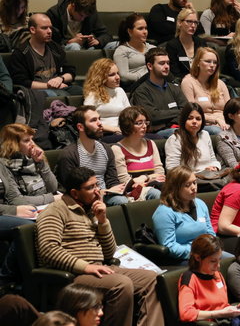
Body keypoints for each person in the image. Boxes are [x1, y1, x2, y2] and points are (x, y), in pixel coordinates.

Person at [36, 167, 164, 326]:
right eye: (90, 188)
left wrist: (103, 221)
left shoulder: (92, 210)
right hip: (72, 274)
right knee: (121, 283)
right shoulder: (55, 211)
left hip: (100, 269)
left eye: (97, 185)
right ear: (75, 193)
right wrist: (85, 267)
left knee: (151, 278)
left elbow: (110, 252)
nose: (97, 191)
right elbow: (48, 250)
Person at [56, 105, 128, 206]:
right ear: (80, 127)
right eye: (93, 120)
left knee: (125, 199)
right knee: (121, 201)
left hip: (106, 194)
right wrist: (101, 192)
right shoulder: (69, 154)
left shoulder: (106, 149)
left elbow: (112, 180)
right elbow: (72, 191)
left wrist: (117, 190)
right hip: (84, 200)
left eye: (99, 119)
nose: (99, 123)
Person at [178, 234, 240, 324]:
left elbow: (222, 305)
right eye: (213, 261)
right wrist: (219, 314)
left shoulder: (217, 274)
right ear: (197, 257)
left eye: (219, 260)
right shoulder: (189, 278)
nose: (218, 265)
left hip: (225, 321)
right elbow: (186, 314)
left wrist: (236, 308)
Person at [152, 166, 215, 263]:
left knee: (231, 262)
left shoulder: (200, 204)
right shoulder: (164, 212)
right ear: (175, 188)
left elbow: (210, 233)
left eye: (194, 182)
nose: (194, 187)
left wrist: (211, 247)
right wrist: (197, 252)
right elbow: (169, 246)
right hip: (182, 259)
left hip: (206, 253)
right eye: (187, 185)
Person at [9, 13, 81, 96]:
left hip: (60, 86)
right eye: (44, 28)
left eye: (50, 27)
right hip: (37, 91)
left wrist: (60, 79)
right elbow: (21, 82)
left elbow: (71, 71)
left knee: (83, 91)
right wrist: (49, 86)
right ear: (33, 30)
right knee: (56, 94)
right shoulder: (21, 53)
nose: (49, 31)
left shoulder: (55, 48)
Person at [130, 47, 187, 138]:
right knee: (180, 134)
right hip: (159, 132)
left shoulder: (174, 88)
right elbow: (152, 116)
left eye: (168, 63)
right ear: (150, 66)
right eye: (161, 63)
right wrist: (179, 113)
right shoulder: (141, 91)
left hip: (178, 127)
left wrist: (166, 121)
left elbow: (187, 111)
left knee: (210, 131)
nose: (166, 66)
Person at [111, 106, 164, 201]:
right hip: (132, 193)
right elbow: (125, 181)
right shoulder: (117, 149)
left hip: (155, 186)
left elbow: (160, 173)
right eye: (139, 123)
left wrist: (144, 178)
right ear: (127, 125)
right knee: (156, 193)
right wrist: (148, 180)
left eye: (145, 122)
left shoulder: (150, 143)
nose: (144, 126)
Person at [0, 123, 59, 205]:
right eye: (26, 141)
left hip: (47, 204)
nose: (32, 144)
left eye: (32, 139)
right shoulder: (3, 166)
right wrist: (51, 198)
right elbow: (17, 200)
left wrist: (41, 162)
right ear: (13, 145)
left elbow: (53, 188)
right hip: (27, 211)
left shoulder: (35, 157)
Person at [181, 47, 230, 135]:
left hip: (224, 122)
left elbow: (230, 108)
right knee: (219, 131)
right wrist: (215, 120)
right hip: (205, 124)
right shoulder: (188, 82)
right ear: (198, 63)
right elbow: (192, 112)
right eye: (208, 61)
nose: (212, 65)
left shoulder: (220, 83)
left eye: (215, 62)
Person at [46, 0, 113, 50]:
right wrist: (69, 41)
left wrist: (98, 41)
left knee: (114, 45)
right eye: (81, 15)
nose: (82, 19)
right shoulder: (54, 13)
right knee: (74, 46)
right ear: (73, 6)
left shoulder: (90, 13)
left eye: (85, 17)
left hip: (87, 47)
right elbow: (51, 41)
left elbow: (106, 35)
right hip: (65, 49)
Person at [165, 103, 220, 171]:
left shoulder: (205, 135)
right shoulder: (174, 139)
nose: (194, 121)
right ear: (183, 120)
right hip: (189, 179)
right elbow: (172, 169)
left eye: (198, 119)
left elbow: (213, 159)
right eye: (190, 118)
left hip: (209, 175)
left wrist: (215, 167)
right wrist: (197, 175)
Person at [83, 58, 130, 137]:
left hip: (123, 131)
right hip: (104, 134)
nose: (118, 77)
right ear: (100, 77)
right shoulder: (93, 95)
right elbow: (88, 120)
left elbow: (129, 114)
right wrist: (114, 129)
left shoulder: (120, 91)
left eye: (117, 73)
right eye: (112, 75)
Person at [113, 13, 156, 89]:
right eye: (140, 28)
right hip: (135, 87)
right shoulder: (122, 51)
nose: (145, 32)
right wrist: (147, 77)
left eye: (146, 28)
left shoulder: (152, 48)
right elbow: (123, 76)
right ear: (130, 31)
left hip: (155, 84)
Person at [165, 8, 206, 80]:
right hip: (183, 84)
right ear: (179, 23)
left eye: (195, 22)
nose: (193, 26)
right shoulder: (172, 46)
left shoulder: (201, 43)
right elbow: (175, 74)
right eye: (189, 21)